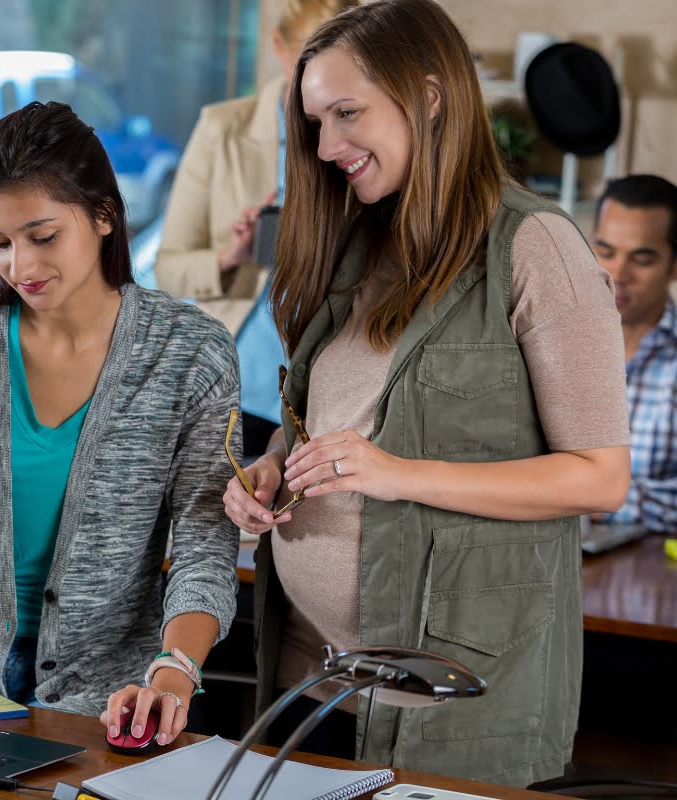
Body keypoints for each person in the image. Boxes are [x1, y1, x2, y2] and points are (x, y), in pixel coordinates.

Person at [222, 0, 629, 786]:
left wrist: (395, 472)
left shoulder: (536, 246)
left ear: (430, 98)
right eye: (314, 121)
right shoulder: (356, 239)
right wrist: (274, 466)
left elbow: (599, 476)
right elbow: (328, 422)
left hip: (444, 707)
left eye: (348, 113)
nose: (326, 145)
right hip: (310, 681)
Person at [0, 102, 240, 747]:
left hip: (110, 695)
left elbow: (205, 541)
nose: (20, 267)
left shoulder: (191, 353)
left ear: (103, 215)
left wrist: (174, 671)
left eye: (43, 236)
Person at [155, 0, 357, 456]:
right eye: (310, 59)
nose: (323, 81)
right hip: (237, 381)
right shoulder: (222, 130)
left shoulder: (360, 142)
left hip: (324, 386)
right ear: (279, 48)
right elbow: (169, 269)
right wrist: (231, 257)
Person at [592, 175, 677, 531]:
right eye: (606, 252)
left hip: (648, 577)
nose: (616, 274)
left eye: (641, 259)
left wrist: (595, 500)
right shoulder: (543, 343)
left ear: (674, 266)